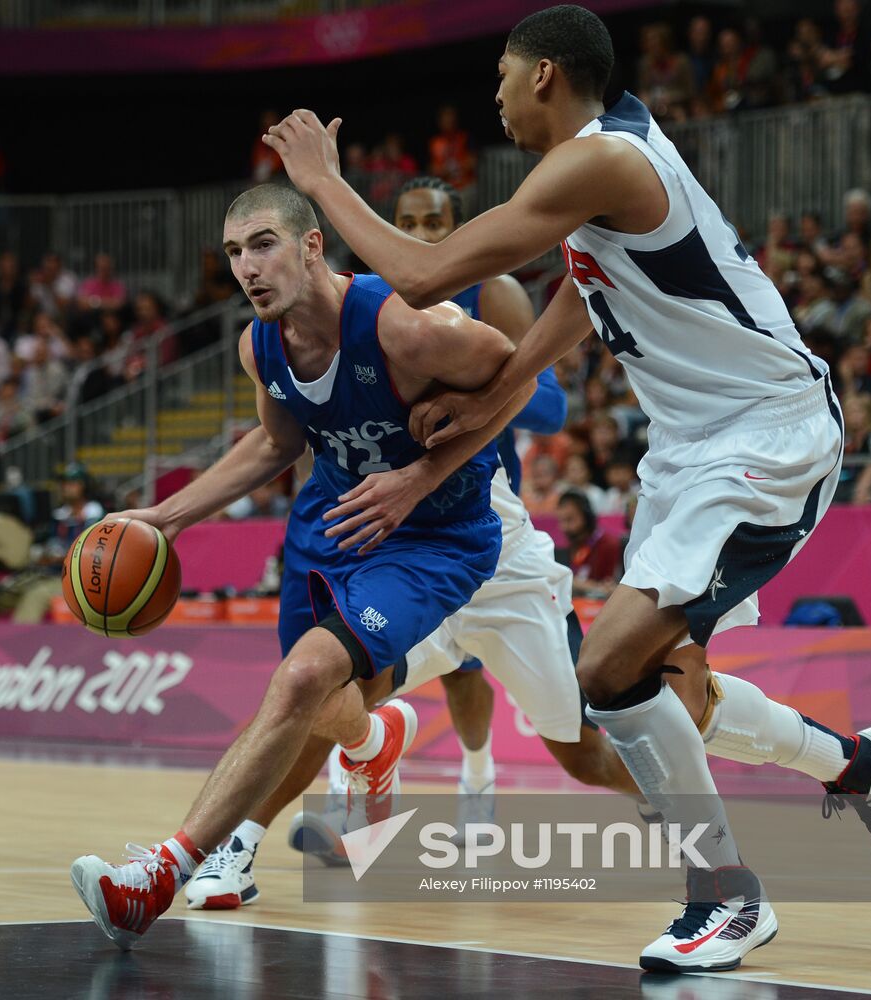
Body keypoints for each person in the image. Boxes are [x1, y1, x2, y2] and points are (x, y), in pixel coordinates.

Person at [265, 4, 871, 972]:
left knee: (607, 674)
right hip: (688, 449)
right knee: (681, 701)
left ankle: (725, 896)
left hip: (760, 435)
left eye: (500, 73)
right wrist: (495, 393)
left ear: (542, 76)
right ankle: (867, 763)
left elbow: (424, 273)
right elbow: (582, 294)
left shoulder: (597, 159)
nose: (491, 93)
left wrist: (319, 181)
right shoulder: (604, 166)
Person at [69, 183, 532, 950]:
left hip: (433, 536)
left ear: (311, 245)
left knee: (299, 679)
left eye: (262, 244)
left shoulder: (408, 327)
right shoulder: (261, 343)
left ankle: (161, 871)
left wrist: (423, 471)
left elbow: (521, 373)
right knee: (314, 703)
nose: (245, 267)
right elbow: (277, 442)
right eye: (232, 253)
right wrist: (165, 517)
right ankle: (371, 741)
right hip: (331, 525)